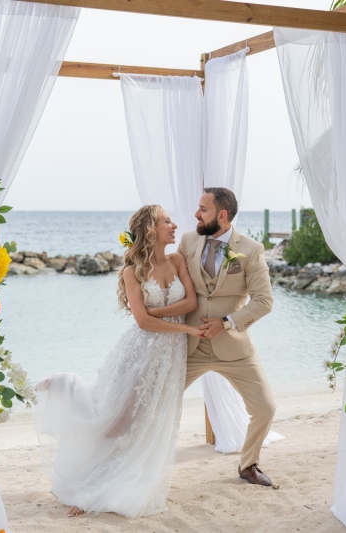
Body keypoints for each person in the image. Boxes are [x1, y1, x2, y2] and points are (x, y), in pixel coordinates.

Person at [35, 205, 203, 518]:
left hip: (169, 357)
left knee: (147, 424)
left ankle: (119, 481)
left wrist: (156, 312)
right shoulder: (132, 270)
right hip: (139, 354)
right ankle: (65, 387)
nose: (175, 224)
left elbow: (190, 301)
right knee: (115, 423)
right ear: (152, 230)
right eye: (168, 220)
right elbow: (142, 323)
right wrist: (184, 326)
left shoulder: (178, 259)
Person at [177, 187, 276, 486]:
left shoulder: (250, 249)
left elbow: (264, 301)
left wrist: (227, 322)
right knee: (159, 401)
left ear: (221, 214)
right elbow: (173, 283)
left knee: (265, 408)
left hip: (233, 347)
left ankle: (248, 464)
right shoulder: (187, 241)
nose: (196, 213)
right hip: (189, 345)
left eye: (203, 209)